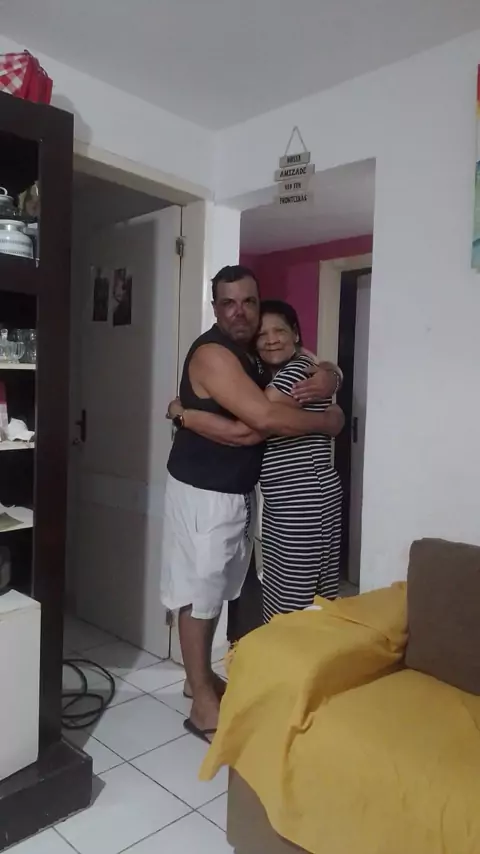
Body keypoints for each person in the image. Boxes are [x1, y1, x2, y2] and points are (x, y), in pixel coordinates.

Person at [161, 265, 342, 743]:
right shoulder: (215, 354)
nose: (240, 312)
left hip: (237, 493)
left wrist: (331, 376)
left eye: (249, 302)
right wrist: (329, 423)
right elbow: (255, 425)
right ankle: (203, 705)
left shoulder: (254, 356)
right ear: (215, 308)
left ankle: (198, 679)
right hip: (204, 492)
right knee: (199, 593)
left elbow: (309, 369)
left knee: (218, 589)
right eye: (228, 303)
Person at [171, 299, 344, 624]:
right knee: (309, 594)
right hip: (297, 496)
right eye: (262, 334)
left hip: (302, 497)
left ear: (296, 334)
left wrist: (184, 415)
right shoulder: (284, 373)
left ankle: (288, 656)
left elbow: (249, 426)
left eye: (280, 331)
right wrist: (333, 381)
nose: (271, 339)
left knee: (293, 602)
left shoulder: (296, 373)